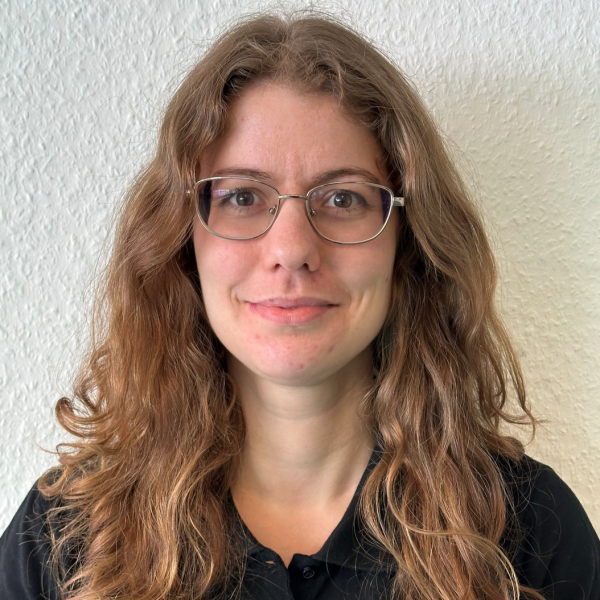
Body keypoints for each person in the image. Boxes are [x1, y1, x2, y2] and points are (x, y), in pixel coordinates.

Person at [0, 12, 598, 600]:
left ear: (407, 242)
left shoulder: (531, 535)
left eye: (343, 198)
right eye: (242, 196)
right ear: (182, 240)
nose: (291, 249)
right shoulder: (65, 538)